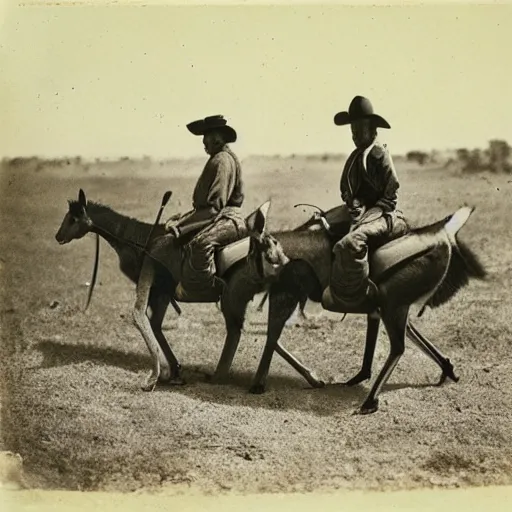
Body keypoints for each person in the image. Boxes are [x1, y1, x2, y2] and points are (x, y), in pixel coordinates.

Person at [325, 96, 408, 311]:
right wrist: (353, 201)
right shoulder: (354, 156)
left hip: (384, 212)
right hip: (359, 210)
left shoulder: (379, 154)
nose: (355, 134)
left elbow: (392, 191)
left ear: (372, 130)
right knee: (320, 225)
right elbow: (345, 188)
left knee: (353, 241)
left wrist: (369, 211)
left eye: (360, 129)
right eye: (352, 130)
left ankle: (357, 293)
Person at [163, 115, 246, 302]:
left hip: (227, 219)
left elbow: (214, 207)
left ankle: (206, 290)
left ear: (216, 138)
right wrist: (182, 222)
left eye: (206, 137)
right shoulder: (219, 158)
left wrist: (181, 227)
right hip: (217, 216)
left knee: (199, 243)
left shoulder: (222, 160)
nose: (203, 143)